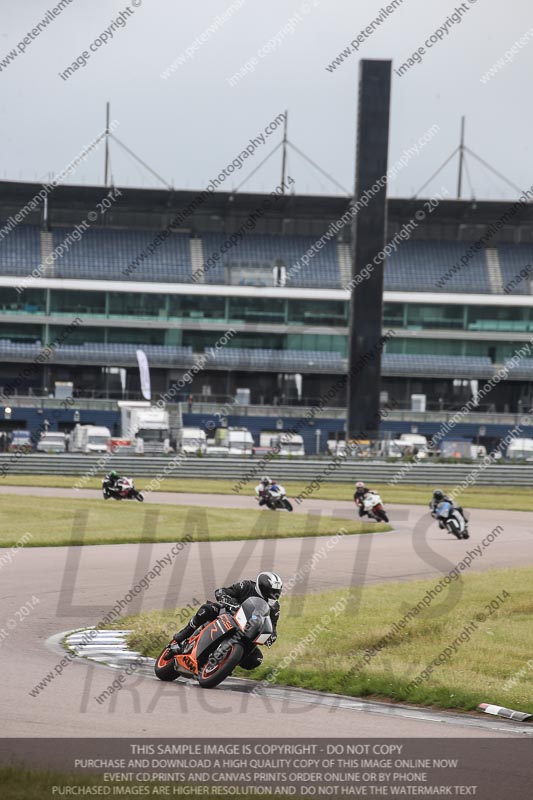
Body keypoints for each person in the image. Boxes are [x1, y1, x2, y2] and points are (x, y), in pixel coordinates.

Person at [169, 572, 283, 669]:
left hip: (246, 631)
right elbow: (222, 591)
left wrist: (271, 636)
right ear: (261, 587)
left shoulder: (274, 607)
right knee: (206, 609)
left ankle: (226, 665)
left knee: (256, 659)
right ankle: (180, 638)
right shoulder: (247, 586)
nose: (273, 595)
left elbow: (272, 626)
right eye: (270, 591)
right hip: (227, 614)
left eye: (276, 592)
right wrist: (228, 601)